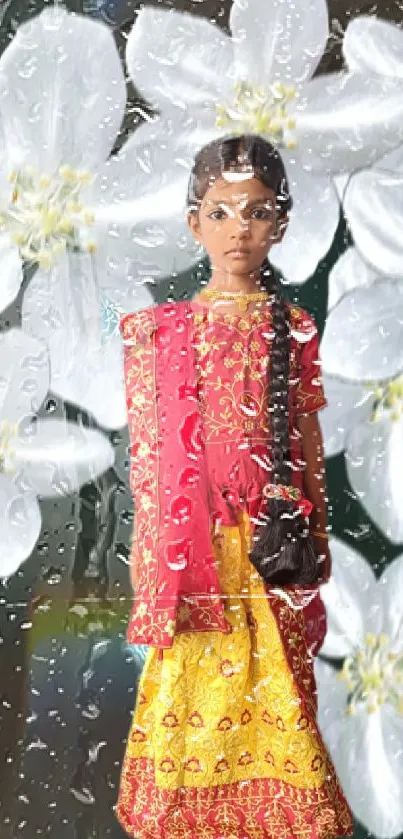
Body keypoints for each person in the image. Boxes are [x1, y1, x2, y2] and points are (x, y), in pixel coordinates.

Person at [115, 134, 353, 839]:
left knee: (275, 683)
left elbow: (304, 440)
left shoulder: (292, 328)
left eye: (253, 213)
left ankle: (280, 815)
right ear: (193, 223)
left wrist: (317, 529)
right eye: (219, 213)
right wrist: (144, 544)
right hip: (188, 552)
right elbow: (149, 454)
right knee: (185, 684)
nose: (236, 230)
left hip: (266, 548)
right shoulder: (160, 335)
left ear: (279, 224)